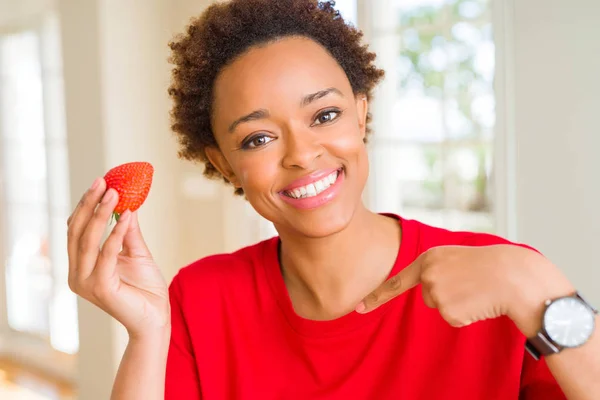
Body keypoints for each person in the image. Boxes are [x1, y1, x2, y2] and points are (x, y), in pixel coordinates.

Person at [66, 1, 600, 399]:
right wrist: (147, 331)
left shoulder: (495, 277)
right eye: (258, 138)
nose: (302, 154)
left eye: (324, 115)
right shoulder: (201, 299)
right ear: (224, 162)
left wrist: (538, 286)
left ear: (361, 113)